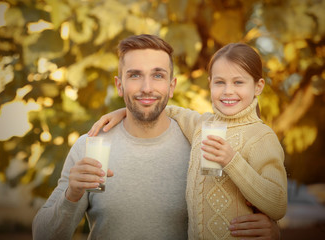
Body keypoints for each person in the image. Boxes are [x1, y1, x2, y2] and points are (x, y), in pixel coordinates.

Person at [88, 42, 287, 239]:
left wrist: (232, 161)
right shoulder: (202, 126)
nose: (228, 91)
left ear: (258, 86)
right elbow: (162, 108)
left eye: (238, 82)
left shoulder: (261, 137)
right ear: (210, 84)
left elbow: (277, 205)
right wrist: (124, 111)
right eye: (220, 82)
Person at [33, 34, 191, 239]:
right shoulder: (89, 146)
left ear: (171, 86)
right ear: (119, 85)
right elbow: (42, 235)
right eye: (135, 75)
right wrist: (70, 196)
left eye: (158, 75)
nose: (146, 88)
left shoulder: (196, 145)